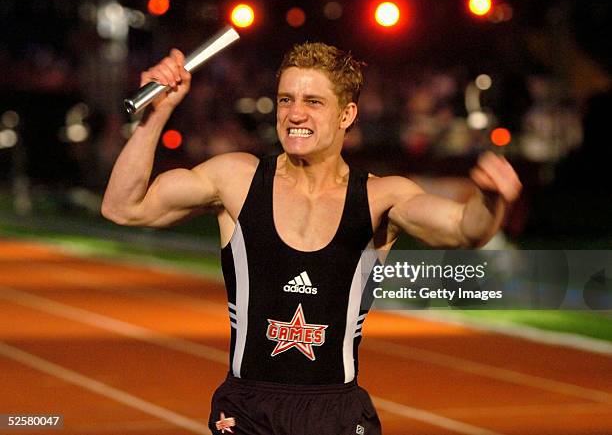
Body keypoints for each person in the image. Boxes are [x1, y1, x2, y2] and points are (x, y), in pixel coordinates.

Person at [102, 42, 522, 435]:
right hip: (247, 409)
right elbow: (123, 207)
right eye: (287, 99)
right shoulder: (235, 179)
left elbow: (466, 229)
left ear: (347, 114)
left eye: (313, 102)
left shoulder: (380, 197)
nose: (295, 114)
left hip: (335, 413)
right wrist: (155, 115)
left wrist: (491, 198)